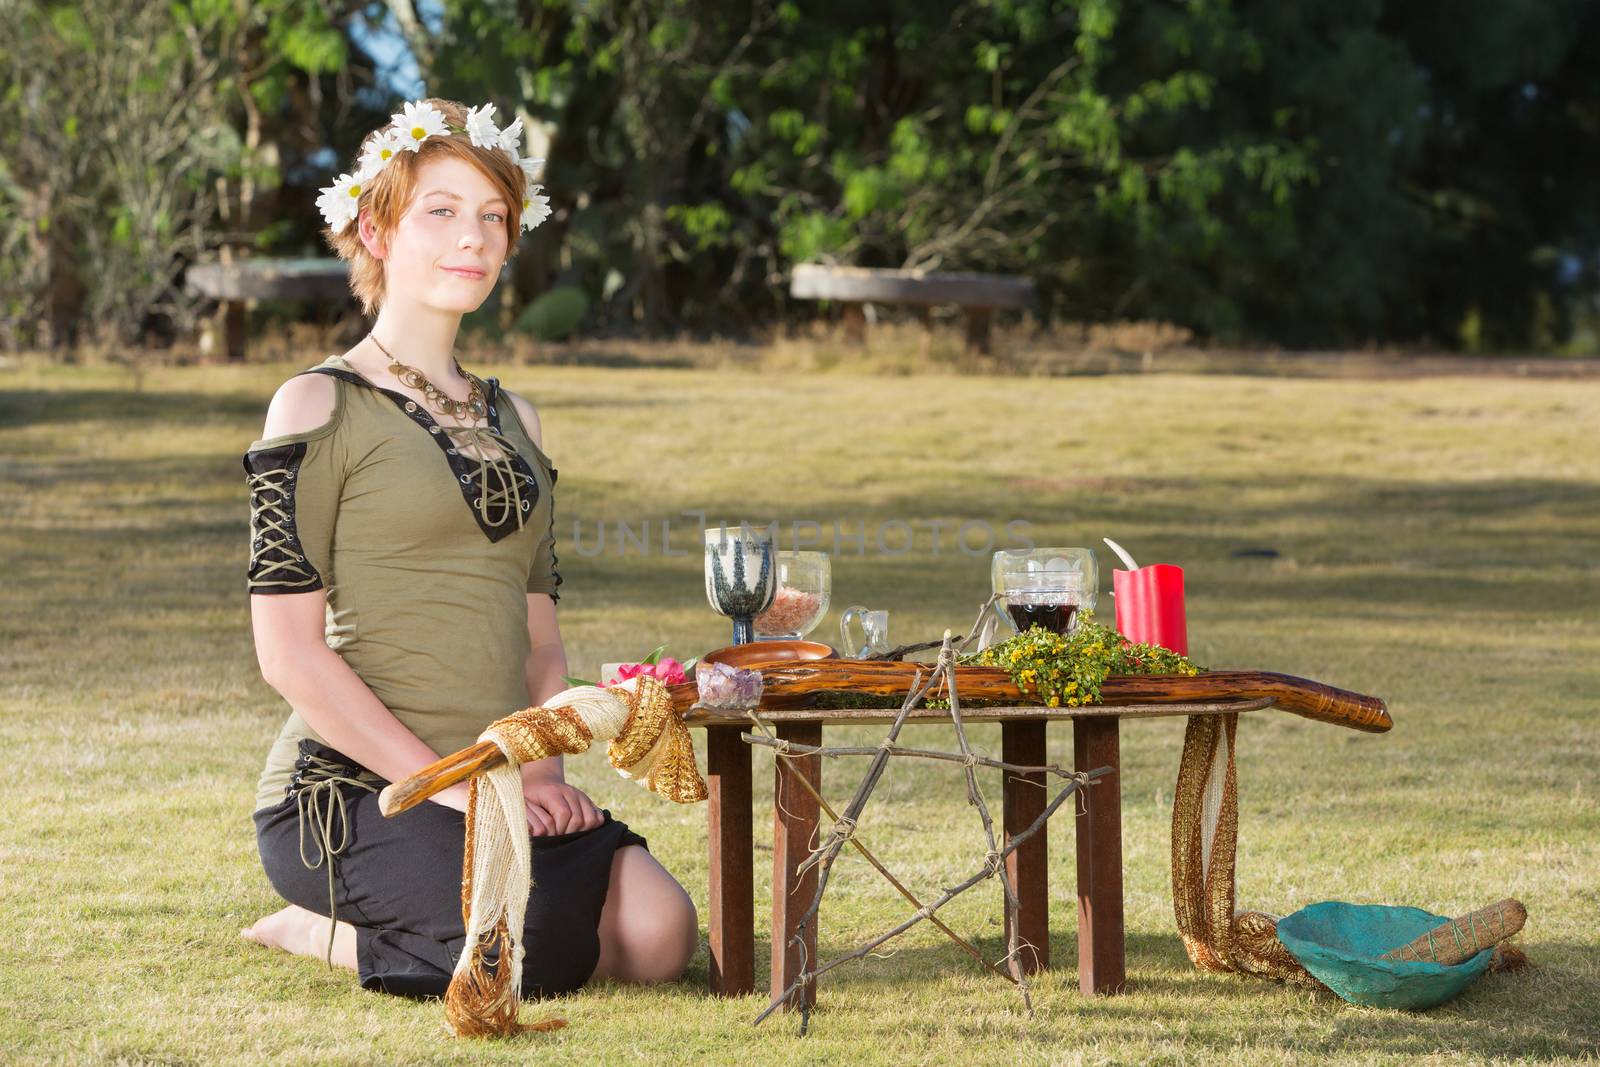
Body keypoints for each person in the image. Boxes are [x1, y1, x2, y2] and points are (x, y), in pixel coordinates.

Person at [239, 97, 697, 999]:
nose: (474, 238)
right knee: (531, 950)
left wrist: (546, 770)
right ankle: (315, 927)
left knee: (660, 937)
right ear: (376, 227)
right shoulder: (314, 407)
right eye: (441, 211)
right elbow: (286, 653)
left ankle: (501, 903)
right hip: (351, 791)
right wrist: (460, 789)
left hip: (503, 774)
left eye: (492, 216)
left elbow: (540, 635)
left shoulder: (516, 419)